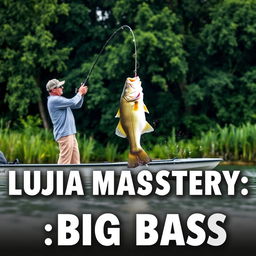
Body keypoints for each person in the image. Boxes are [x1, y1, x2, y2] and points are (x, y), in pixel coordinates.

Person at [46, 79, 88, 164]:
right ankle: (59, 177)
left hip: (70, 134)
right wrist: (79, 93)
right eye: (60, 86)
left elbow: (77, 105)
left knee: (75, 162)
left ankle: (75, 177)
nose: (62, 87)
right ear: (54, 90)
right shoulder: (54, 100)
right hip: (65, 135)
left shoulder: (59, 100)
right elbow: (73, 102)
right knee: (64, 161)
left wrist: (81, 95)